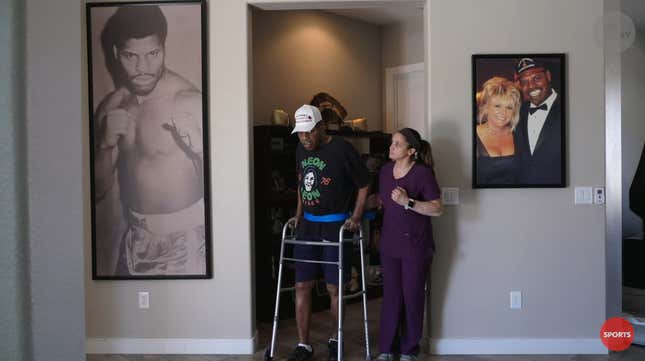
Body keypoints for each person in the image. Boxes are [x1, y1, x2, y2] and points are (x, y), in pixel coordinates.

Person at [93, 5, 205, 276]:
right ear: (117, 54)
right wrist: (105, 146)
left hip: (188, 241)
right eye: (131, 56)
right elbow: (98, 190)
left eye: (153, 54)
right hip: (134, 241)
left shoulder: (191, 102)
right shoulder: (111, 107)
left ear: (163, 48)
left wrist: (201, 152)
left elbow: (227, 188)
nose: (143, 68)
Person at [289, 104, 370, 361]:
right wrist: (298, 214)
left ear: (321, 126)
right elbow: (302, 182)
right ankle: (304, 346)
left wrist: (356, 217)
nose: (304, 138)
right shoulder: (301, 148)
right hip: (308, 226)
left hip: (335, 225)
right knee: (301, 285)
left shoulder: (343, 149)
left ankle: (336, 339)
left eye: (309, 132)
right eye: (300, 134)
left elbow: (364, 184)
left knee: (334, 288)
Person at [376, 128, 442, 361]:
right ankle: (386, 348)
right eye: (392, 143)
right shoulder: (384, 172)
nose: (391, 147)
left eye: (397, 144)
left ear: (411, 151)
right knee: (391, 297)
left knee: (412, 297)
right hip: (390, 245)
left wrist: (408, 201)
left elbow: (437, 208)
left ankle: (409, 350)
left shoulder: (422, 174)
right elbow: (383, 202)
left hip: (416, 246)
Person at [513, 57, 563, 185]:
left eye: (536, 78)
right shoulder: (516, 113)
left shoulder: (569, 107)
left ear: (548, 76)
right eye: (524, 82)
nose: (531, 87)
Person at [475, 77, 521, 185]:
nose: (503, 112)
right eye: (497, 106)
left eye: (509, 107)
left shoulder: (520, 135)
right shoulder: (472, 135)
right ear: (486, 107)